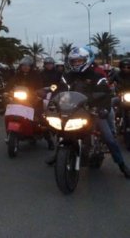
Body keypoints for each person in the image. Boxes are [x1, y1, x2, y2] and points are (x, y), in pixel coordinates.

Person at [48, 46, 130, 178]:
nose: (76, 64)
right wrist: (52, 104)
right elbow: (59, 91)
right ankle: (59, 153)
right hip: (74, 110)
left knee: (109, 138)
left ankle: (122, 165)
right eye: (74, 61)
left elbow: (105, 94)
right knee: (60, 129)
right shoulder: (67, 76)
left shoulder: (97, 76)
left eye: (79, 61)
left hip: (93, 110)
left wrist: (103, 109)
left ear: (87, 60)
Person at [8, 56, 54, 149]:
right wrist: (6, 91)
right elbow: (10, 84)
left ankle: (49, 140)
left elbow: (40, 86)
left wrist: (38, 93)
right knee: (11, 111)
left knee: (40, 118)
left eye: (28, 65)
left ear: (31, 66)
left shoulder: (36, 75)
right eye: (23, 65)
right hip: (19, 100)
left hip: (33, 99)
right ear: (20, 66)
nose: (25, 67)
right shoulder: (17, 75)